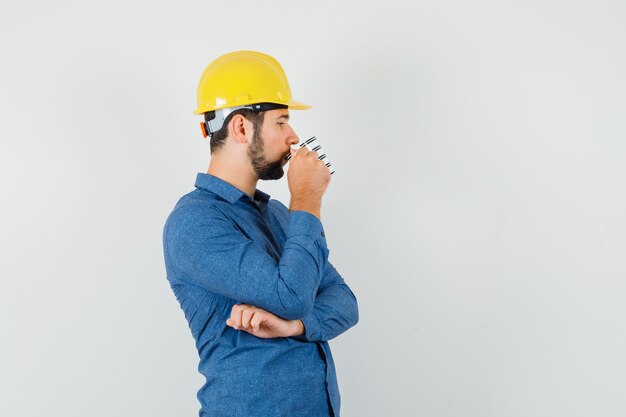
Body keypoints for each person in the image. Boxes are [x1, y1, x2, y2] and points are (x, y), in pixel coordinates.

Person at [162, 50, 359, 417]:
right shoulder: (194, 223)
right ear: (240, 127)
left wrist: (293, 326)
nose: (294, 136)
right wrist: (307, 197)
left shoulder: (281, 216)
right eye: (282, 122)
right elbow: (291, 296)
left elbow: (345, 302)